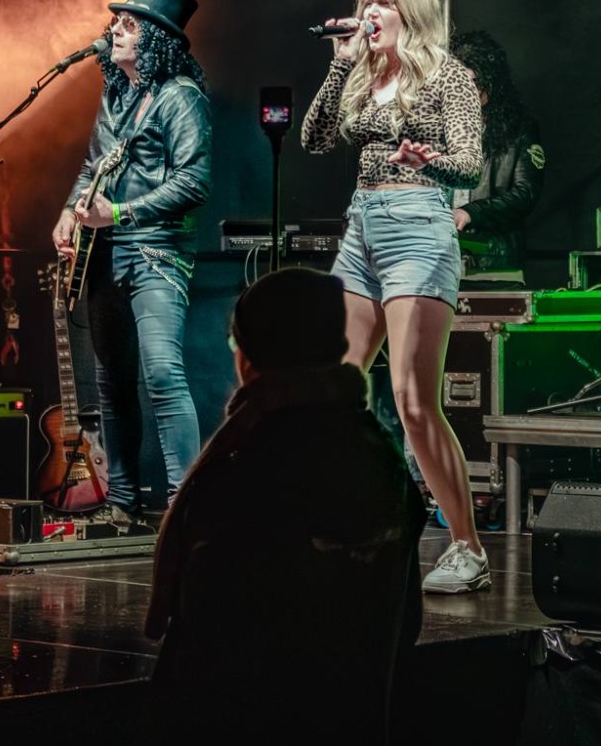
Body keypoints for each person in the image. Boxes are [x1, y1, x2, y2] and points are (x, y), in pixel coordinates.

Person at [145, 267, 422, 737]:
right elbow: (405, 623)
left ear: (251, 357)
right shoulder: (381, 456)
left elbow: (206, 642)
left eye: (235, 343)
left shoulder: (244, 471)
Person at [302, 0, 489, 594]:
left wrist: (428, 160)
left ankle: (466, 546)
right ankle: (345, 525)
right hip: (361, 227)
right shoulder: (361, 74)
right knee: (332, 389)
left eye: (381, 4)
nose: (369, 14)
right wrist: (338, 63)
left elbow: (470, 165)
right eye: (364, 4)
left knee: (411, 399)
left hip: (418, 226)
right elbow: (314, 139)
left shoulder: (448, 76)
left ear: (410, 11)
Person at [53, 0, 212, 527]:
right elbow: (92, 166)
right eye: (116, 22)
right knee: (111, 381)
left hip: (156, 255)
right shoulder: (117, 95)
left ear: (156, 39)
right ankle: (121, 503)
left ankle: (184, 505)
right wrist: (69, 213)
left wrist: (119, 213)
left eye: (128, 25)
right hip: (104, 252)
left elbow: (194, 181)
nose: (115, 31)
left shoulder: (181, 98)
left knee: (162, 376)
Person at [447, 30, 546, 282]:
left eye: (474, 83)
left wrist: (472, 212)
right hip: (440, 261)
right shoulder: (440, 128)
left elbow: (526, 192)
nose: (466, 92)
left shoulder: (519, 128)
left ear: (492, 84)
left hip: (494, 260)